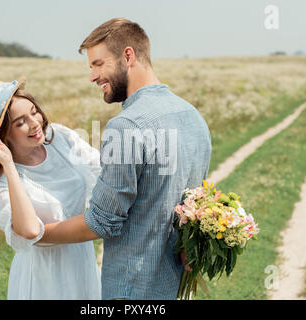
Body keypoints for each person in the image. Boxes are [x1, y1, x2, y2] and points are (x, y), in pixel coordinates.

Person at [37, 18, 212, 299]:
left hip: (133, 289)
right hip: (178, 287)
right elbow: (197, 202)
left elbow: (103, 221)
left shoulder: (127, 126)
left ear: (127, 56)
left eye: (98, 64)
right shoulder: (192, 116)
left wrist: (38, 234)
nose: (92, 76)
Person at [0, 76, 101, 299]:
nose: (34, 123)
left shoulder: (60, 137)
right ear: (2, 135)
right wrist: (9, 166)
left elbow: (103, 170)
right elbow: (31, 231)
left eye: (34, 111)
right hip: (45, 278)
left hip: (83, 262)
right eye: (20, 122)